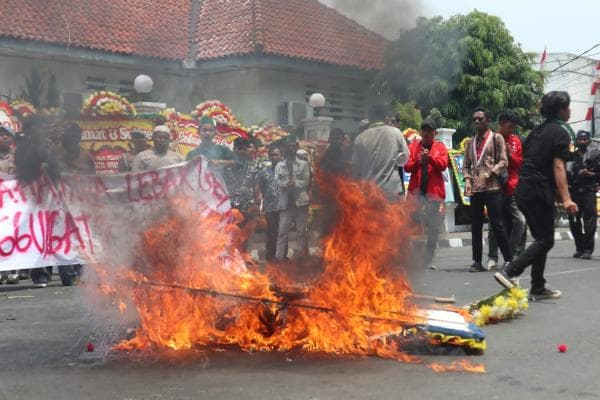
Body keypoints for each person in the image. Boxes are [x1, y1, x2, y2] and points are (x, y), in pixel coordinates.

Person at [494, 91, 579, 300]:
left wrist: (557, 193)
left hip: (524, 190)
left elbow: (537, 163)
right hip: (537, 191)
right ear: (560, 110)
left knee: (542, 236)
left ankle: (538, 286)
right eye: (567, 107)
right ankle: (510, 271)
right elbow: (558, 166)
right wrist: (567, 198)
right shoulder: (560, 133)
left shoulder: (536, 131)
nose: (569, 111)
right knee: (545, 240)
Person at [463, 107, 513, 272]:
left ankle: (508, 260)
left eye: (480, 119)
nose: (477, 121)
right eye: (475, 119)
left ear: (488, 120)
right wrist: (468, 181)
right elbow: (466, 166)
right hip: (476, 190)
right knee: (476, 227)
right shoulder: (470, 142)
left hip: (492, 188)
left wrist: (489, 173)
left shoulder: (496, 138)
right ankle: (477, 261)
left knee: (497, 225)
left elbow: (504, 161)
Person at [404, 118, 448, 270]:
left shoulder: (440, 147)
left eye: (429, 130)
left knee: (433, 228)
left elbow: (443, 165)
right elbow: (407, 167)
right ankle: (414, 258)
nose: (426, 133)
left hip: (433, 195)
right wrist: (418, 161)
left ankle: (428, 260)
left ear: (434, 133)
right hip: (416, 194)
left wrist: (430, 158)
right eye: (424, 130)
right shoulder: (413, 146)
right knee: (412, 225)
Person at [486, 110, 526, 269]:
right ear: (500, 124)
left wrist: (510, 154)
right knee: (494, 224)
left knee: (521, 221)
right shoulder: (491, 140)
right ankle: (492, 257)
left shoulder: (516, 141)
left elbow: (519, 163)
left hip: (512, 187)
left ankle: (510, 253)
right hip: (494, 188)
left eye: (513, 127)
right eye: (509, 127)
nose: (511, 130)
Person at [351, 105, 410, 202]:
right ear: (385, 117)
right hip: (392, 191)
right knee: (395, 217)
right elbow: (405, 157)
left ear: (369, 118)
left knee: (372, 217)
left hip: (370, 192)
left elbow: (355, 167)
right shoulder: (395, 133)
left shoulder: (360, 138)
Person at [275, 135, 311, 261]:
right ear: (285, 148)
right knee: (282, 232)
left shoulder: (304, 164)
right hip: (285, 204)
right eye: (289, 146)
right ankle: (279, 258)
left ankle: (301, 257)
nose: (291, 148)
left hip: (301, 203)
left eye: (293, 146)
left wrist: (294, 183)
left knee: (301, 232)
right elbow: (278, 182)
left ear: (297, 148)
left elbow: (306, 181)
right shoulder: (280, 165)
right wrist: (286, 184)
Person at [224, 137, 261, 252]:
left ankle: (245, 254)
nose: (242, 152)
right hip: (230, 203)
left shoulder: (253, 165)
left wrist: (257, 202)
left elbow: (256, 184)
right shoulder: (227, 166)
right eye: (239, 149)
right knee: (231, 231)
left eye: (244, 149)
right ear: (234, 149)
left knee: (246, 231)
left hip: (247, 202)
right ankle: (231, 255)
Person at [567, 130, 599, 260]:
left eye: (585, 140)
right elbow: (565, 173)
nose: (582, 142)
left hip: (589, 192)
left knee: (589, 222)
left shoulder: (595, 155)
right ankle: (579, 248)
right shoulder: (571, 157)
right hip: (574, 192)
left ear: (589, 141)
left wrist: (590, 174)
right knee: (574, 221)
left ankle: (587, 250)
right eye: (580, 140)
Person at [0, 125, 19, 285]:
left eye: (7, 135)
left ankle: (14, 270)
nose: (4, 137)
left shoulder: (16, 157)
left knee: (13, 236)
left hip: (13, 202)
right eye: (1, 135)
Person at [258, 145, 284, 261]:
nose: (274, 157)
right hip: (270, 207)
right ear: (269, 157)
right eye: (272, 155)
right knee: (272, 232)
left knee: (283, 232)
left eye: (276, 154)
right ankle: (270, 255)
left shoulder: (287, 170)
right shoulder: (264, 172)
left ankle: (282, 255)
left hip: (284, 206)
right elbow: (261, 188)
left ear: (281, 156)